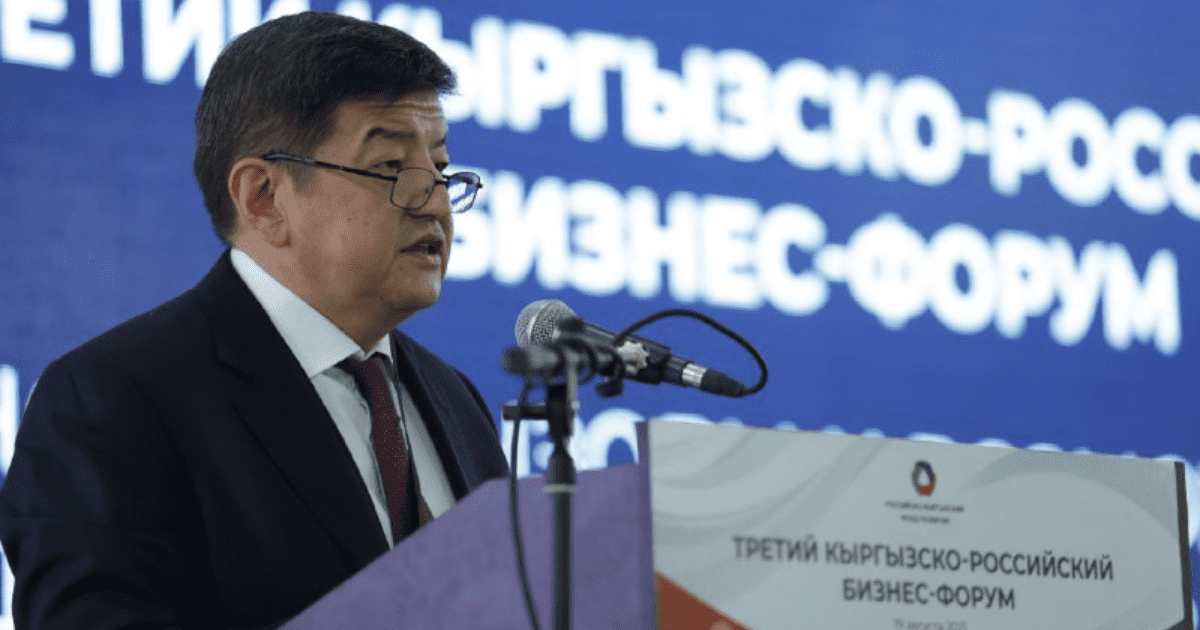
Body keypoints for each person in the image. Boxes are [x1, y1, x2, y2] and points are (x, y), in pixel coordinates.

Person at [0, 11, 509, 629]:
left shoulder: (457, 402)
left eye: (442, 168)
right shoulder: (114, 398)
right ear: (263, 197)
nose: (437, 204)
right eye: (391, 169)